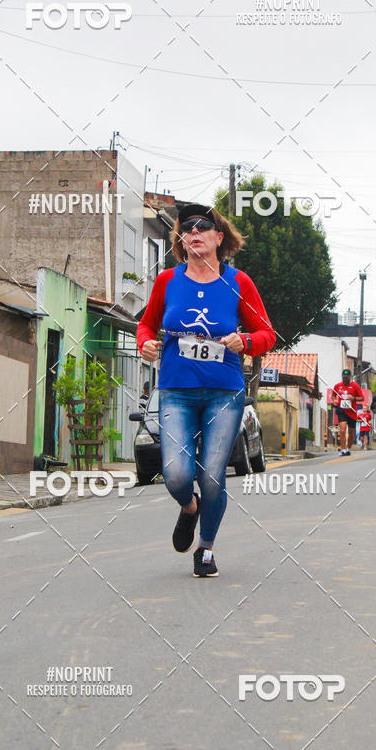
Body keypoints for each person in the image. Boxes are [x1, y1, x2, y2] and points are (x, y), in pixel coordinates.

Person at [136, 203, 276, 578]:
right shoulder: (168, 281)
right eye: (187, 229)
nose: (194, 233)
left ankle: (207, 548)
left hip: (223, 393)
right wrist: (145, 344)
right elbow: (147, 326)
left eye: (203, 227)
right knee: (177, 475)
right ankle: (189, 508)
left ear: (219, 237)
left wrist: (244, 341)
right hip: (176, 390)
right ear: (181, 240)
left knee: (212, 476)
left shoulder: (239, 282)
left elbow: (267, 334)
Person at [332, 369, 363, 456]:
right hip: (341, 410)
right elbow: (333, 395)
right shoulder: (337, 386)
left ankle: (348, 448)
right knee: (342, 430)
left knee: (351, 432)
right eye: (344, 378)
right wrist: (334, 401)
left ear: (350, 377)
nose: (345, 379)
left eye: (347, 378)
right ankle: (343, 449)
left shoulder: (355, 386)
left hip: (352, 411)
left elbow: (362, 398)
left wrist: (353, 398)